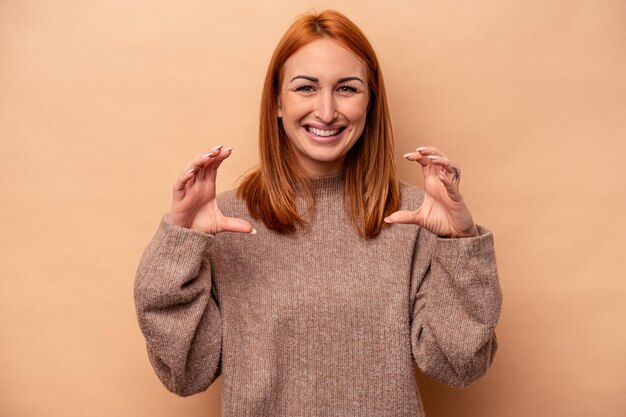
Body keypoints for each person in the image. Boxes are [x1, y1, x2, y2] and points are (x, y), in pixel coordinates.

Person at [134, 9, 502, 417]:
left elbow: (460, 365)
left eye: (347, 88)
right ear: (276, 100)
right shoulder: (226, 221)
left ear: (371, 101)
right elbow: (185, 373)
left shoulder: (413, 215)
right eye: (306, 88)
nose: (327, 111)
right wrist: (179, 242)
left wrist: (461, 244)